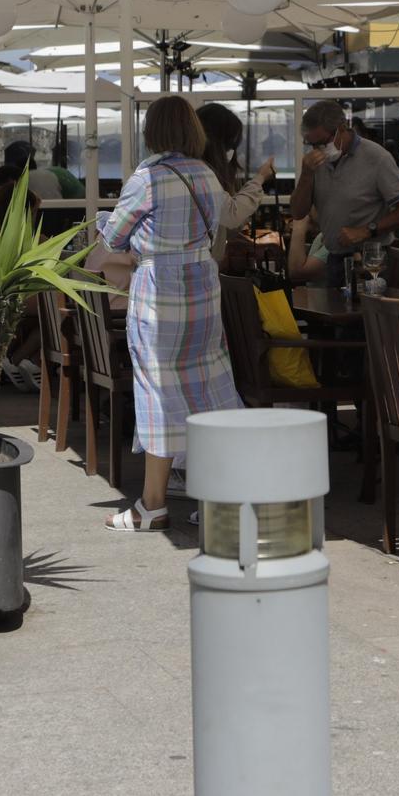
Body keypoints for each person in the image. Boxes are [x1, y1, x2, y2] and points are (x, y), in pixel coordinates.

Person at [96, 96, 243, 532]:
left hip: (158, 291)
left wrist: (109, 222)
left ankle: (153, 504)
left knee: (156, 394)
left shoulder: (147, 178)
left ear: (151, 132)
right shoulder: (209, 175)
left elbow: (114, 241)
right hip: (202, 289)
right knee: (208, 393)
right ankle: (219, 499)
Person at [287, 99, 399, 292]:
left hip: (370, 259)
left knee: (366, 318)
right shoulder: (315, 164)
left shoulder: (376, 158)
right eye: (311, 144)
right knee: (336, 318)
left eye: (322, 143)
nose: (318, 150)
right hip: (334, 256)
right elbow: (298, 212)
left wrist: (367, 230)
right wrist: (306, 175)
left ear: (341, 128)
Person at [195, 102, 276, 263]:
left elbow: (229, 227)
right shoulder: (200, 174)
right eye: (230, 144)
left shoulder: (206, 173)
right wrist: (260, 178)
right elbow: (232, 215)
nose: (232, 151)